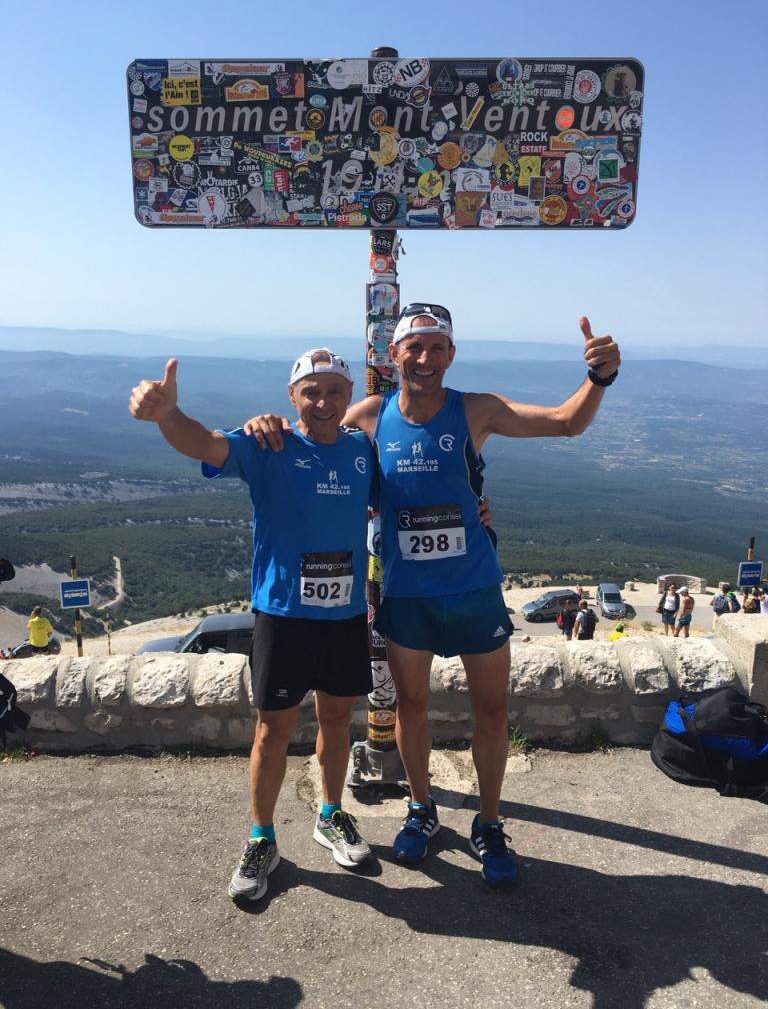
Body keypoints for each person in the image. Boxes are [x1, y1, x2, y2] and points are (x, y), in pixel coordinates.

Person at [245, 304, 620, 886]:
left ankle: (489, 822)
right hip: (407, 596)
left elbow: (566, 422)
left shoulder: (477, 409)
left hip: (473, 589)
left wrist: (598, 378)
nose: (424, 358)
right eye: (412, 347)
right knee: (410, 707)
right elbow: (313, 450)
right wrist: (263, 426)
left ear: (451, 354)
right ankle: (421, 810)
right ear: (392, 356)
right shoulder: (369, 416)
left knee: (492, 710)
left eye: (435, 347)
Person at [129, 349, 378, 904]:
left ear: (347, 396)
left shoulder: (363, 450)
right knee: (273, 731)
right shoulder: (269, 445)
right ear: (292, 397)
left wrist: (476, 510)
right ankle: (262, 836)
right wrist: (169, 414)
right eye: (311, 391)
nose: (323, 401)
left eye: (335, 390)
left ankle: (331, 814)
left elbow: (408, 494)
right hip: (284, 615)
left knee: (337, 721)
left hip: (342, 617)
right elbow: (204, 444)